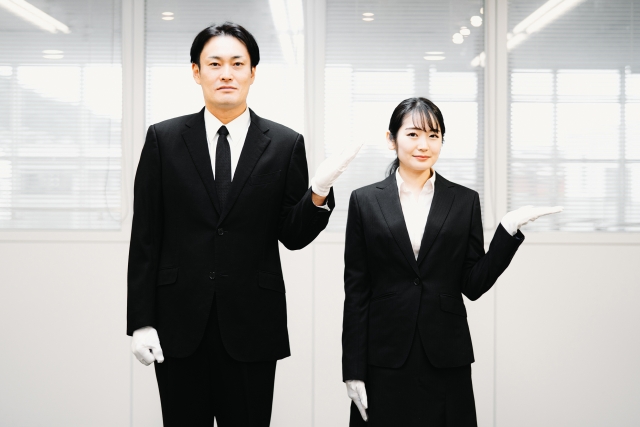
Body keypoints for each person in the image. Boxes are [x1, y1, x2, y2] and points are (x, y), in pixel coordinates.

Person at [127, 22, 360, 427]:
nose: (226, 73)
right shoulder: (163, 139)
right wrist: (141, 320)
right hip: (179, 323)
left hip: (253, 324)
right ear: (196, 72)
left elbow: (293, 235)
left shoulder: (284, 144)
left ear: (253, 72)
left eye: (237, 63)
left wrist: (319, 191)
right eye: (214, 63)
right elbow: (146, 235)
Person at [342, 97, 561, 426]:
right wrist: (353, 369)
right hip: (384, 353)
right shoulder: (364, 200)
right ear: (391, 139)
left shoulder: (464, 200)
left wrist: (507, 231)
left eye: (434, 135)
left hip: (445, 354)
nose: (424, 145)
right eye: (413, 134)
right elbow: (357, 292)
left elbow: (473, 284)